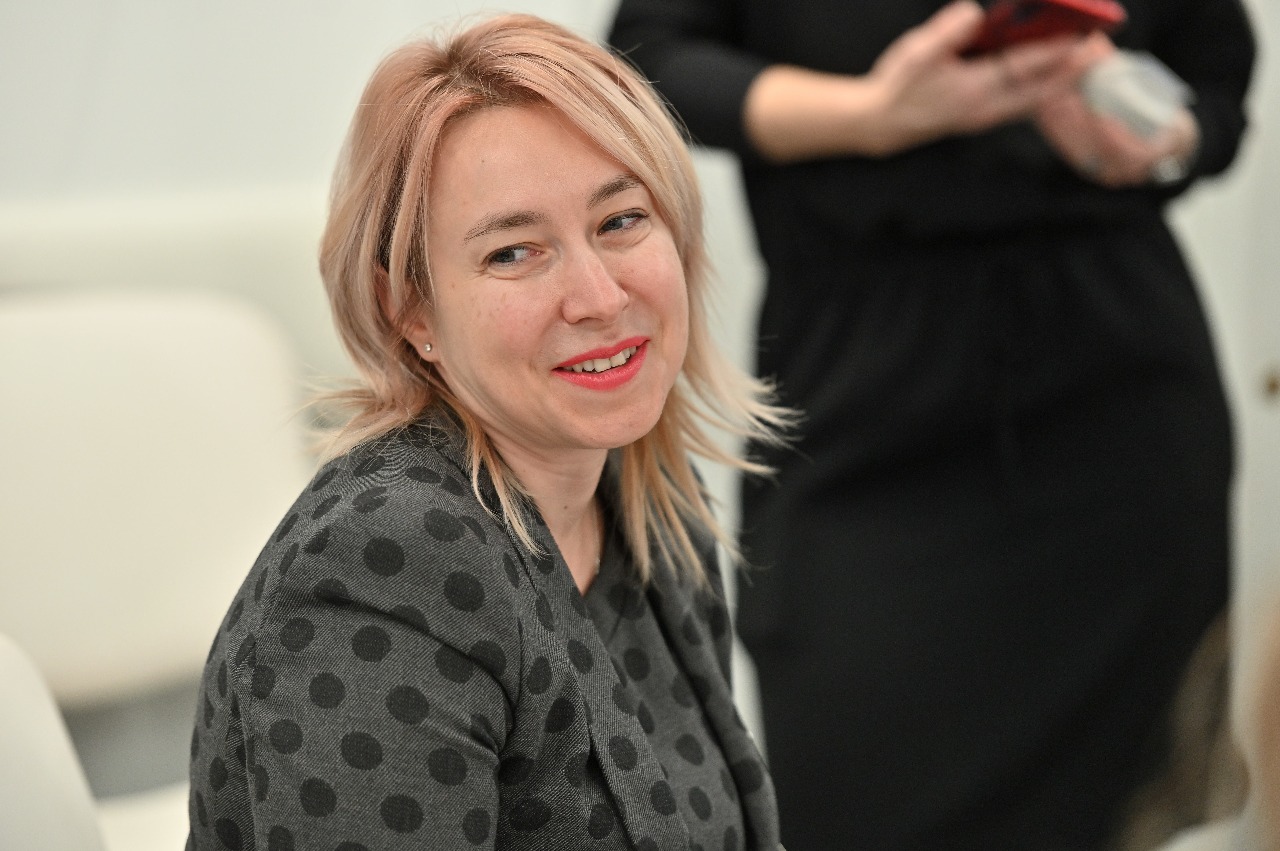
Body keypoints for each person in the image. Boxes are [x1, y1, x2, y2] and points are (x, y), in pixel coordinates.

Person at [608, 0, 1255, 848]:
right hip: (860, 391)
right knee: (858, 779)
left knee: (1125, 812)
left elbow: (1215, 83)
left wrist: (1154, 137)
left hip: (1114, 399)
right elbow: (649, 59)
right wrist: (872, 117)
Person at [186, 14, 790, 851]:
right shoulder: (384, 566)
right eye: (513, 252)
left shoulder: (649, 498)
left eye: (620, 221)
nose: (600, 297)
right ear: (411, 310)